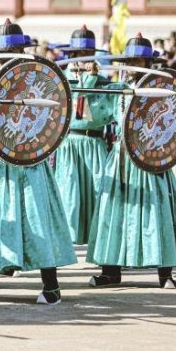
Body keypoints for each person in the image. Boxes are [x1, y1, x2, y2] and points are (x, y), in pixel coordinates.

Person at [0, 20, 77, 305]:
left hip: (30, 159)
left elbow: (57, 114)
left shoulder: (41, 84)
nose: (5, 60)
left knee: (36, 218)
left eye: (13, 53)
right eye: (2, 54)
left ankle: (51, 284)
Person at [87, 35, 176, 288]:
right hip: (122, 157)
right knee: (114, 213)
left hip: (152, 158)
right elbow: (93, 114)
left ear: (148, 61)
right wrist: (90, 79)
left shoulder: (163, 89)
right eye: (131, 60)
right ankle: (110, 272)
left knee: (156, 213)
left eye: (139, 59)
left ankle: (164, 273)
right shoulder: (119, 89)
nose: (135, 63)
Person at [52, 26, 122, 245]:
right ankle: (67, 243)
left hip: (94, 143)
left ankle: (99, 242)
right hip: (70, 144)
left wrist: (93, 78)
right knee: (69, 196)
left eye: (87, 56)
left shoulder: (103, 83)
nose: (82, 60)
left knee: (99, 192)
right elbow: (75, 98)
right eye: (78, 55)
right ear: (71, 55)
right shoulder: (60, 79)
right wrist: (89, 79)